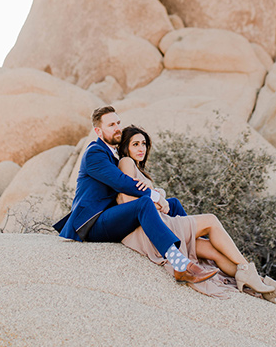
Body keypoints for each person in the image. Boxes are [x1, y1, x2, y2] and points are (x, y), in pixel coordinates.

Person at [116, 124, 276, 301]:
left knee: (212, 250)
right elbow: (128, 201)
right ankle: (249, 272)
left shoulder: (140, 170)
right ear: (125, 147)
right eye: (135, 144)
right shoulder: (126, 162)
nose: (142, 148)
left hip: (159, 224)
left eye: (144, 144)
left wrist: (157, 199)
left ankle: (262, 285)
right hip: (150, 230)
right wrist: (157, 202)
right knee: (211, 221)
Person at [53, 106, 218, 286]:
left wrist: (158, 195)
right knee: (145, 203)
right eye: (111, 125)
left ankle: (195, 252)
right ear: (98, 131)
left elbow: (127, 183)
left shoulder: (113, 155)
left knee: (174, 204)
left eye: (118, 123)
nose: (117, 128)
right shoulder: (95, 153)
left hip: (110, 216)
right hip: (92, 223)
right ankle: (180, 265)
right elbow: (121, 182)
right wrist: (154, 195)